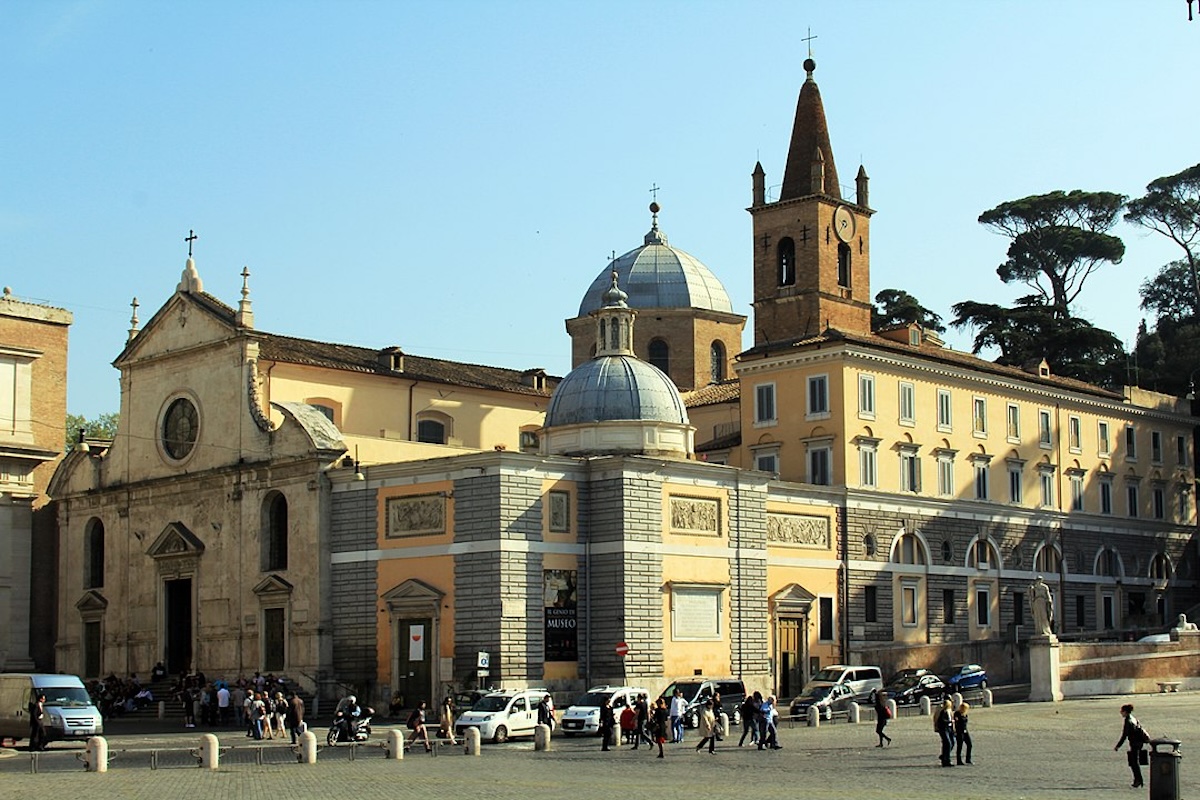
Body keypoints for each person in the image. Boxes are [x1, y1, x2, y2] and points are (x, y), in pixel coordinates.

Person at [1114, 703, 1147, 788]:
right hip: (1139, 742)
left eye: (1122, 711)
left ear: (1125, 712)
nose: (1121, 712)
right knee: (1133, 762)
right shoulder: (1133, 718)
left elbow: (1124, 735)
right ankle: (1138, 780)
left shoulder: (1128, 721)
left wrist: (1118, 746)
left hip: (1135, 743)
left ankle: (1139, 780)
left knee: (1134, 762)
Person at [934, 699, 955, 767]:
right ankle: (947, 760)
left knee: (952, 742)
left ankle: (944, 756)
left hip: (949, 728)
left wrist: (953, 727)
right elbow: (939, 720)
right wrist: (950, 722)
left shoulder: (949, 710)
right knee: (947, 743)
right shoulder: (942, 711)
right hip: (943, 728)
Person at [954, 701, 972, 765]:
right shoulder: (957, 714)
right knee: (960, 746)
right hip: (959, 732)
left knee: (969, 744)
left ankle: (968, 759)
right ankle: (959, 760)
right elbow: (956, 723)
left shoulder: (965, 714)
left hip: (965, 730)